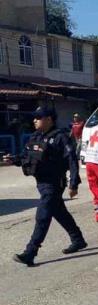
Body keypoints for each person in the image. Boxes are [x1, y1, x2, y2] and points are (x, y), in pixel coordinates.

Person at [6, 107, 87, 266]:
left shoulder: (61, 137)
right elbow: (26, 157)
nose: (34, 120)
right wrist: (13, 159)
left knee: (43, 215)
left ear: (49, 119)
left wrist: (73, 183)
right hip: (41, 183)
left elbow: (72, 160)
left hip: (54, 183)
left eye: (39, 117)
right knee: (59, 211)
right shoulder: (35, 136)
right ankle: (78, 239)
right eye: (34, 118)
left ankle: (31, 252)